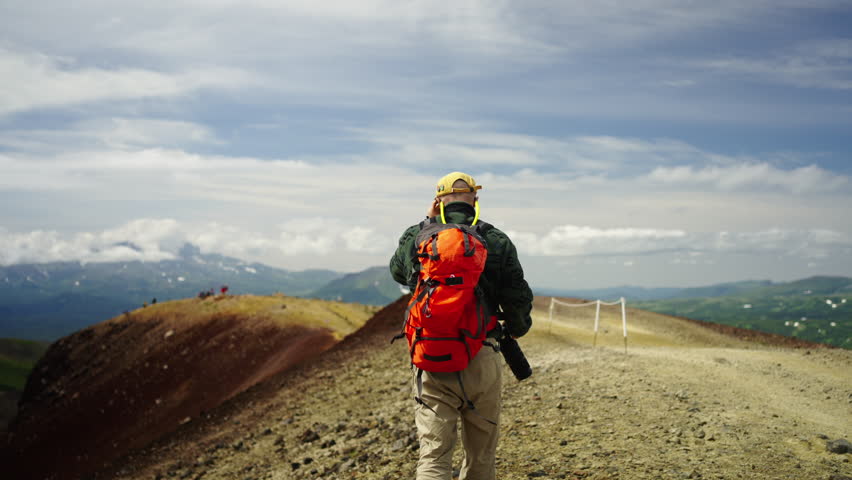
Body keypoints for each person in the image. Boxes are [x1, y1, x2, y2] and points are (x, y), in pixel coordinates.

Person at [389, 171, 533, 480]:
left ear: (437, 200)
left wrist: (425, 224)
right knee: (480, 457)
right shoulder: (495, 240)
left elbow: (398, 273)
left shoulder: (418, 237)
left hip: (431, 356)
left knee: (434, 457)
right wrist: (517, 328)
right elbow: (518, 299)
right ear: (475, 200)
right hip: (482, 354)